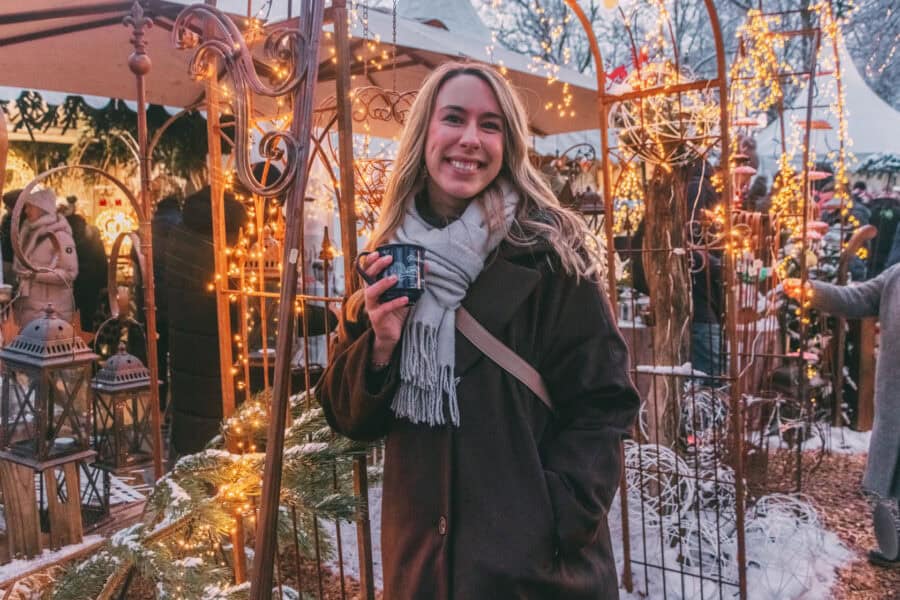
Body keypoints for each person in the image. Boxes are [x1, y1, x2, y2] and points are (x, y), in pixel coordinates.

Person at [317, 62, 640, 599]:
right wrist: (382, 344)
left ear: (507, 143)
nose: (470, 139)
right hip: (422, 570)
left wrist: (557, 516)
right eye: (454, 119)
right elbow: (350, 419)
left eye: (490, 125)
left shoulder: (552, 254)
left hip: (530, 575)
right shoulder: (389, 258)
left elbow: (604, 403)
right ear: (425, 133)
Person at [784, 266, 900, 567]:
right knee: (887, 481)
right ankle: (894, 549)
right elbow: (854, 299)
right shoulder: (896, 276)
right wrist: (809, 290)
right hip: (895, 402)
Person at [163, 186, 246, 457]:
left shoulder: (181, 233)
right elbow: (249, 310)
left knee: (193, 443)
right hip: (221, 361)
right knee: (220, 445)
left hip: (185, 355)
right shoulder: (230, 244)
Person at [12, 188, 78, 325]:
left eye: (30, 206)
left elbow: (70, 273)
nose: (26, 211)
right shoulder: (27, 234)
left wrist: (36, 274)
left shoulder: (61, 237)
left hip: (51, 314)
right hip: (28, 311)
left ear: (42, 208)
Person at [64, 195, 108, 332]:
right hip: (90, 285)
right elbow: (101, 260)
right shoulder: (91, 232)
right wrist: (103, 284)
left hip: (67, 285)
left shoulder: (60, 234)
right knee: (87, 321)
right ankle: (87, 348)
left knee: (66, 323)